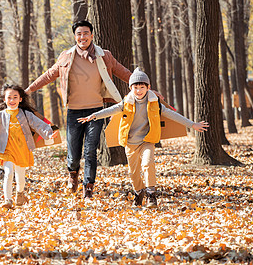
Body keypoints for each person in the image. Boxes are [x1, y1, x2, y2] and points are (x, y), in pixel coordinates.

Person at [25, 20, 132, 199]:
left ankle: (88, 186)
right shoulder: (66, 56)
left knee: (90, 150)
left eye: (85, 33)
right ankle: (73, 173)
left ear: (91, 35)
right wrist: (28, 90)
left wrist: (143, 85)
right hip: (74, 111)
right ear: (75, 37)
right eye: (79, 34)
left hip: (96, 111)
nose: (82, 37)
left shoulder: (104, 56)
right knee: (74, 153)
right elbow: (49, 75)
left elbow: (123, 72)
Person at [77, 68, 209, 208]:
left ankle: (151, 195)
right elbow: (111, 110)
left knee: (148, 163)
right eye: (135, 87)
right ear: (130, 88)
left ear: (148, 87)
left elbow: (172, 114)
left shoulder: (154, 102)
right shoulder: (126, 102)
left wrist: (192, 124)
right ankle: (139, 192)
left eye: (142, 87)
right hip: (130, 142)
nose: (139, 90)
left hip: (147, 140)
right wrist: (94, 115)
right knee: (133, 173)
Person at [0, 84, 57, 209]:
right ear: (4, 99)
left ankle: (20, 192)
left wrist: (49, 134)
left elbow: (38, 124)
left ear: (20, 99)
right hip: (6, 149)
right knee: (8, 173)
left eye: (15, 97)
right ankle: (8, 200)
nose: (12, 100)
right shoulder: (0, 116)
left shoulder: (25, 114)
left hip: (22, 149)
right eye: (9, 97)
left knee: (20, 175)